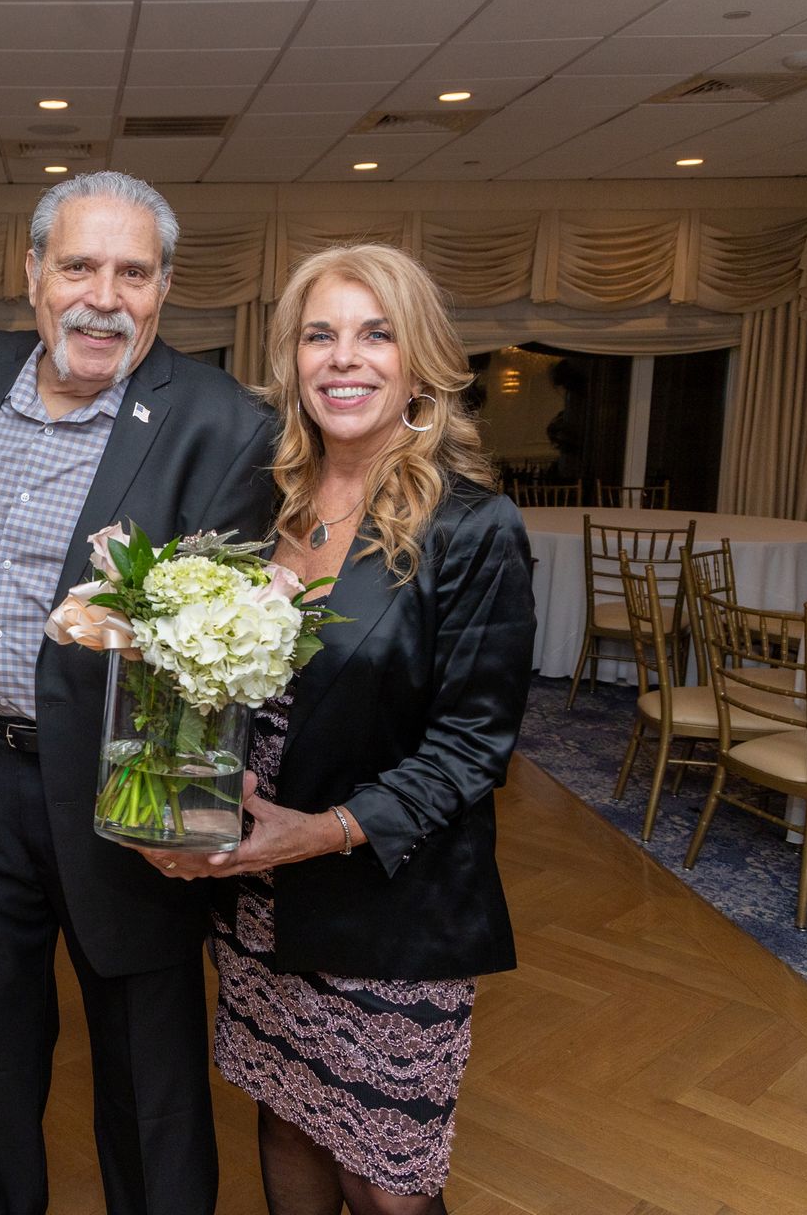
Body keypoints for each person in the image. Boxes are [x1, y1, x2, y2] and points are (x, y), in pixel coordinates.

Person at [150, 244, 535, 1215]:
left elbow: (474, 743)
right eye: (320, 333)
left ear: (420, 360)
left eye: (376, 332)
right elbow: (214, 689)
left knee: (385, 1178)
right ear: (292, 358)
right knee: (286, 1126)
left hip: (389, 909)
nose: (344, 357)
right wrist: (178, 813)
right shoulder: (258, 507)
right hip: (256, 907)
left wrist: (315, 830)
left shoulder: (473, 527)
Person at [0, 170, 278, 1215]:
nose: (103, 295)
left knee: (147, 1065)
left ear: (165, 288)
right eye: (78, 264)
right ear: (32, 274)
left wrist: (189, 814)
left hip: (126, 788)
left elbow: (227, 638)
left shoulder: (219, 420)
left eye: (133, 271)